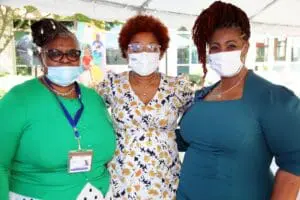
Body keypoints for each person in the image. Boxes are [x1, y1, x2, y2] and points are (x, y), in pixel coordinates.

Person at [176, 1, 300, 200]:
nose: (222, 53)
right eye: (215, 47)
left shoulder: (271, 98)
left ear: (245, 47)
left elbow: (294, 164)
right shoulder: (203, 94)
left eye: (231, 45)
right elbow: (190, 140)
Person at [0, 18, 116, 200]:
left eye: (73, 54)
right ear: (42, 57)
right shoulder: (18, 99)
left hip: (99, 193)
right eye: (55, 53)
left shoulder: (93, 98)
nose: (65, 60)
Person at [95, 15, 194, 199]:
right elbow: (89, 111)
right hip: (122, 178)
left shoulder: (178, 87)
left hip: (165, 178)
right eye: (136, 47)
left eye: (151, 47)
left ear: (161, 52)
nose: (144, 53)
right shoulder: (112, 85)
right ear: (126, 51)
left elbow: (196, 121)